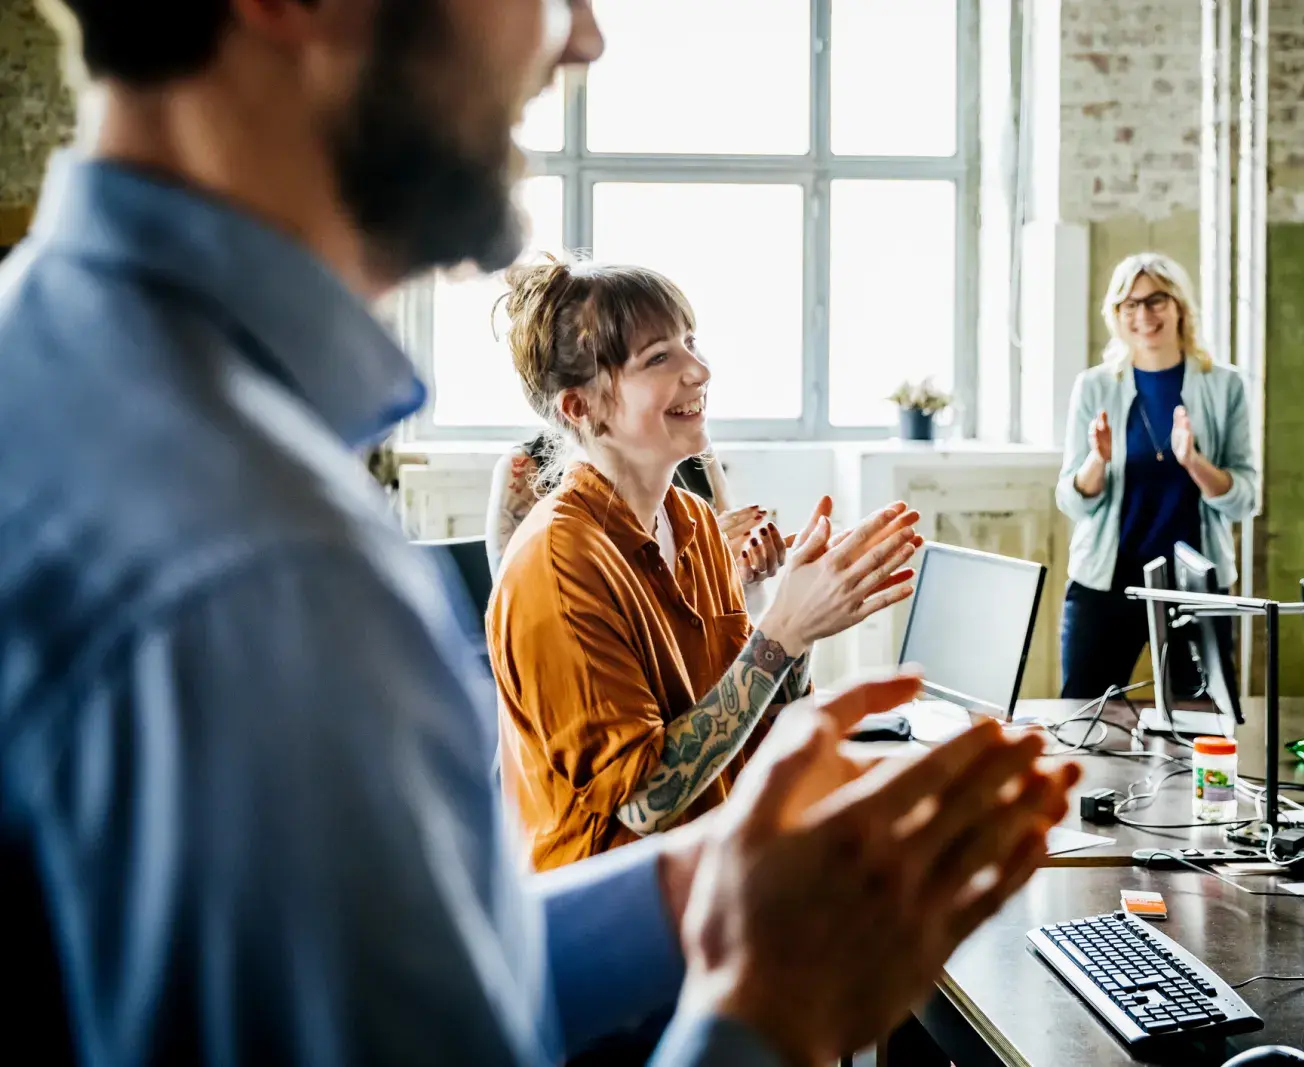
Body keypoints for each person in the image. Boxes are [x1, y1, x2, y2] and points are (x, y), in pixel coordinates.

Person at [0, 2, 1080, 1065]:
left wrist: (698, 878)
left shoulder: (77, 385)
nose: (583, 36)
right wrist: (773, 1000)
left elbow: (440, 978)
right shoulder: (265, 565)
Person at [488, 260, 921, 870]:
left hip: (713, 883)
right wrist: (782, 632)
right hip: (612, 925)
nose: (700, 371)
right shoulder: (558, 564)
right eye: (658, 358)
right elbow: (645, 801)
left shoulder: (693, 522)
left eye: (690, 343)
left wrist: (802, 623)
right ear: (581, 408)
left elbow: (764, 725)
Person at [1054, 252, 1259, 699]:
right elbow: (1071, 500)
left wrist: (1195, 463)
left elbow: (1246, 498)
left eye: (1155, 301)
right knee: (1082, 716)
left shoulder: (1226, 386)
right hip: (1106, 580)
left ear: (1180, 306)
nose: (1143, 315)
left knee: (1204, 723)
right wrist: (1098, 460)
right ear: (1116, 315)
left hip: (1196, 586)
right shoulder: (1094, 386)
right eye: (1130, 304)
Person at [486, 435, 783, 612]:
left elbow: (740, 604)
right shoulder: (525, 468)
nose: (697, 373)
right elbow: (526, 610)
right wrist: (697, 564)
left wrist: (744, 578)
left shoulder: (695, 451)